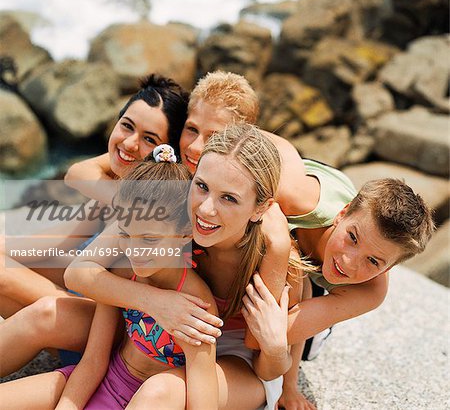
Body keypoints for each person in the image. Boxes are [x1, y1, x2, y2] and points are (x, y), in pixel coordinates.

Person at [62, 124, 292, 409]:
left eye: (229, 198)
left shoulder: (270, 247)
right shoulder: (173, 209)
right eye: (203, 186)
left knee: (159, 392)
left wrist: (277, 349)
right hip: (174, 342)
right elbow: (78, 271)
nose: (206, 209)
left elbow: (265, 367)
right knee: (46, 314)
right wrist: (157, 302)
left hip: (237, 363)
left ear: (260, 208)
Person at [0, 144, 219, 409]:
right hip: (94, 381)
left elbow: (202, 403)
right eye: (125, 234)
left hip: (141, 401)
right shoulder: (122, 273)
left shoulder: (197, 307)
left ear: (185, 235)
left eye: (149, 239)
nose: (134, 251)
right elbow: (93, 360)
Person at [0, 73, 189, 319]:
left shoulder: (148, 210)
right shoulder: (119, 187)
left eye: (149, 139)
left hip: (114, 321)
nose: (130, 143)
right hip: (85, 294)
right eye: (127, 126)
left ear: (166, 154)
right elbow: (61, 238)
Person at [242, 178, 435, 410]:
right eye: (352, 237)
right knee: (292, 267)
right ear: (341, 214)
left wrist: (289, 385)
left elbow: (258, 337)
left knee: (297, 288)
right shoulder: (296, 196)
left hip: (315, 281)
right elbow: (191, 180)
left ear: (389, 269)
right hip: (305, 211)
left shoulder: (371, 290)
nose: (348, 262)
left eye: (373, 261)